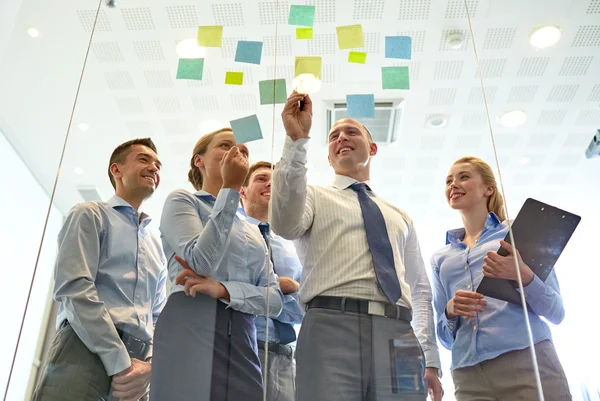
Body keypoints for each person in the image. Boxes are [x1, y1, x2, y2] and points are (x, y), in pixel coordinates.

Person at [270, 91, 443, 401]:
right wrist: (296, 142)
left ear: (372, 148)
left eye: (351, 132)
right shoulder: (313, 196)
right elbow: (283, 223)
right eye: (334, 135)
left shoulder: (400, 216)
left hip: (401, 334)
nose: (341, 137)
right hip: (331, 326)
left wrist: (429, 357)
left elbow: (419, 288)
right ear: (328, 156)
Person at [150, 128, 284, 401]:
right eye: (226, 145)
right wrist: (230, 189)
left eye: (243, 151)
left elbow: (275, 301)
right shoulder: (182, 200)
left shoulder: (252, 231)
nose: (237, 153)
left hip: (243, 336)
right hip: (189, 321)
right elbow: (200, 262)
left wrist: (223, 289)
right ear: (199, 160)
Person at [33, 138, 167, 401]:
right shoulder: (90, 214)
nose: (154, 168)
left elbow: (158, 316)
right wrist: (121, 361)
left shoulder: (156, 245)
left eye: (158, 165)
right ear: (116, 170)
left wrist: (149, 368)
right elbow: (75, 289)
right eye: (144, 159)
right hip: (84, 352)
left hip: (137, 371)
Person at [431, 156, 571, 400]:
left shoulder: (517, 233)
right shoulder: (440, 259)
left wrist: (524, 277)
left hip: (528, 359)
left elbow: (556, 312)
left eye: (463, 177)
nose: (453, 184)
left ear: (489, 188)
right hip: (468, 374)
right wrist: (450, 311)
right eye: (448, 181)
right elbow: (445, 338)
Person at [240, 161, 304, 401]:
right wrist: (282, 288)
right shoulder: (231, 237)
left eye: (274, 181)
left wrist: (269, 291)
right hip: (245, 352)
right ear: (242, 191)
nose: (270, 184)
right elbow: (232, 292)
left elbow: (303, 309)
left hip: (287, 359)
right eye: (260, 178)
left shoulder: (294, 246)